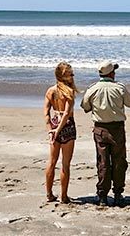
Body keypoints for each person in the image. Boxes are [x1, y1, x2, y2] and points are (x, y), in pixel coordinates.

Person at [81, 60, 130, 206]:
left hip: (100, 128)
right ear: (112, 73)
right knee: (119, 161)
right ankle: (118, 193)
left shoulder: (92, 89)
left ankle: (103, 195)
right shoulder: (119, 88)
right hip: (117, 128)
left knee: (103, 162)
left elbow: (85, 106)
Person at [44, 61, 78, 203]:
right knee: (65, 163)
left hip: (55, 123)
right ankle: (63, 196)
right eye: (71, 74)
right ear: (65, 76)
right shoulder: (68, 92)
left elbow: (46, 112)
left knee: (51, 161)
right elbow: (66, 113)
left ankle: (49, 194)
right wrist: (58, 130)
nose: (73, 76)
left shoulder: (50, 91)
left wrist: (51, 130)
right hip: (67, 126)